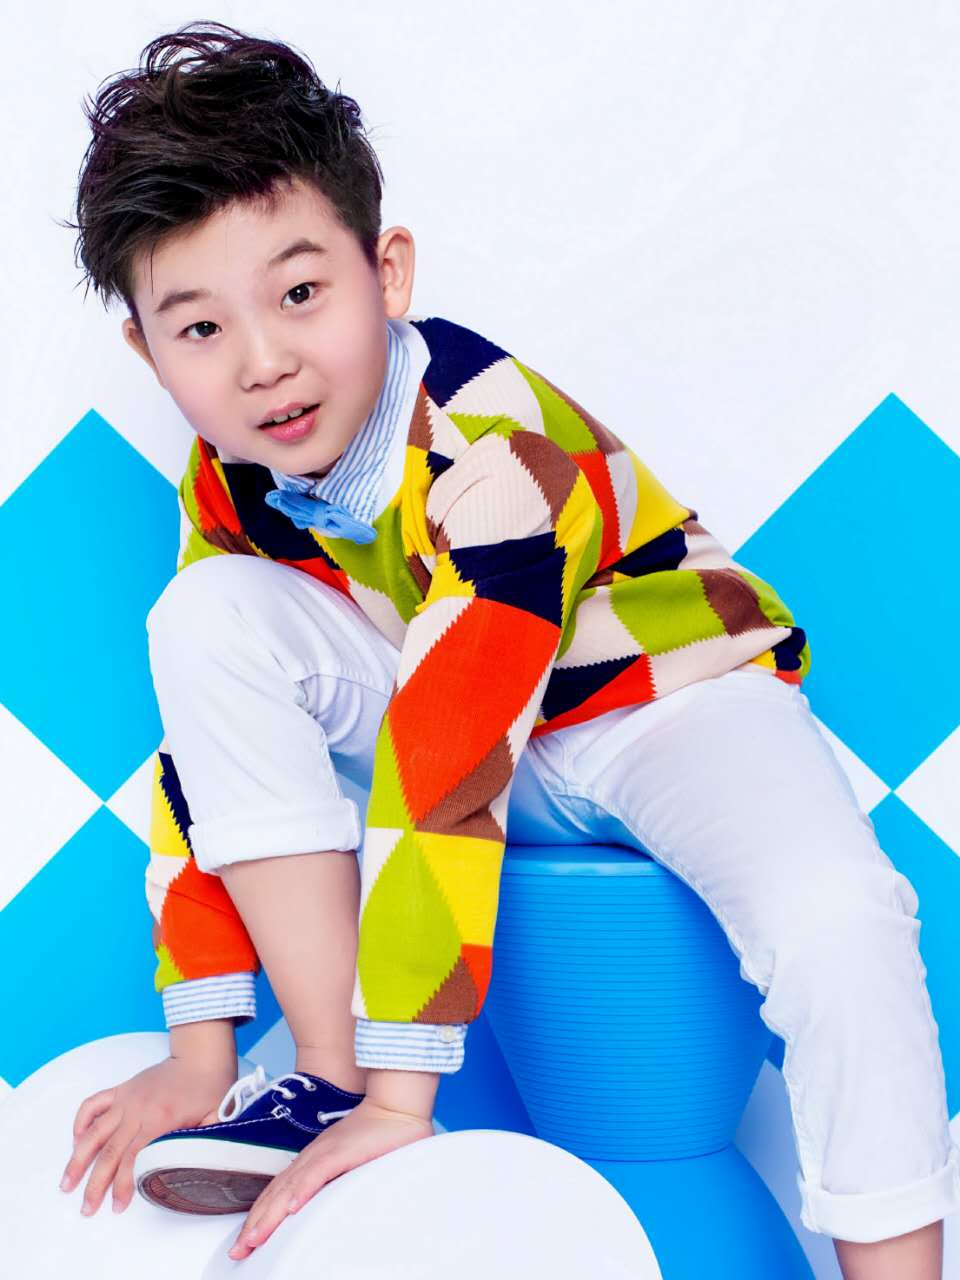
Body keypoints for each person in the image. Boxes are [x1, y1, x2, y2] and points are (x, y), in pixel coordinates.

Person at [57, 20, 958, 1277]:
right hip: (477, 722)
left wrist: (407, 1094)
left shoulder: (496, 446)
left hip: (664, 704)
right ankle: (319, 1073)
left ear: (389, 271)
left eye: (301, 293)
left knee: (839, 917)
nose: (264, 362)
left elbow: (449, 740)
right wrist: (203, 1043)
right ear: (146, 350)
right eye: (200, 328)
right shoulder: (230, 484)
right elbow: (199, 751)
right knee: (202, 618)